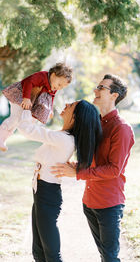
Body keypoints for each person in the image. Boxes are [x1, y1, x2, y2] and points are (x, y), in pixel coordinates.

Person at [51, 74, 135, 262]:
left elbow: (114, 169)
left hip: (109, 204)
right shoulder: (94, 121)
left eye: (101, 88)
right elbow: (89, 158)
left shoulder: (121, 128)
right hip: (89, 202)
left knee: (110, 257)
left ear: (114, 95)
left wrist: (78, 173)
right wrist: (74, 166)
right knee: (104, 255)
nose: (95, 91)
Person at [17, 100, 102, 262]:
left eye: (71, 105)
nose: (67, 104)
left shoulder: (64, 139)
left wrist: (26, 108)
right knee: (39, 251)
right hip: (42, 191)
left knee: (50, 254)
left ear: (75, 117)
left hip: (47, 194)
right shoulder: (63, 137)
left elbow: (27, 130)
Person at [0, 62, 72, 151]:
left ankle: (1, 138)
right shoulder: (42, 76)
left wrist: (50, 109)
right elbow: (29, 82)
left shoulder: (53, 87)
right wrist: (26, 98)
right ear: (53, 75)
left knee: (17, 121)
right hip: (20, 96)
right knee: (15, 118)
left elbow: (51, 96)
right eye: (59, 84)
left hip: (28, 100)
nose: (59, 88)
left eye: (62, 87)